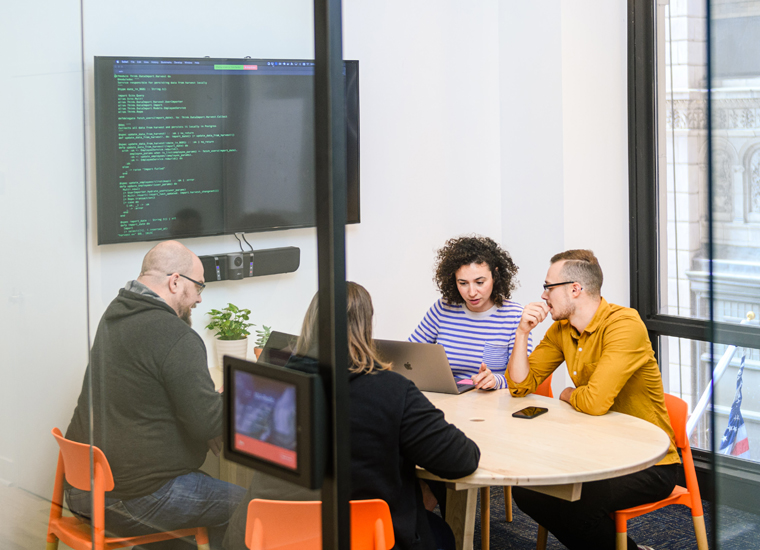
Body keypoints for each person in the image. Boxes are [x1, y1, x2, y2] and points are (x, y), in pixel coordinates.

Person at [223, 282, 481, 550]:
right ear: (366, 328)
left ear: (309, 324)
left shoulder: (272, 385)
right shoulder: (391, 390)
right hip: (366, 539)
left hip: (273, 538)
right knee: (442, 535)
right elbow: (462, 460)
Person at [64, 240, 245, 550]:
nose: (199, 298)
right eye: (198, 287)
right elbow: (207, 424)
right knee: (249, 506)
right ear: (176, 281)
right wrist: (234, 401)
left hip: (82, 490)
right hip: (129, 499)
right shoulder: (176, 336)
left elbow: (146, 395)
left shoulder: (115, 313)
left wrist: (205, 408)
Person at [505, 249, 680, 550]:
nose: (544, 295)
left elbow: (596, 401)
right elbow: (520, 386)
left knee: (580, 503)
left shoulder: (624, 325)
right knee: (526, 492)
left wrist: (568, 393)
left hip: (648, 461)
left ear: (575, 289)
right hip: (596, 454)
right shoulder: (562, 329)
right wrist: (522, 333)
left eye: (548, 287)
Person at [410, 235, 532, 391]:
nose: (472, 292)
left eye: (480, 282)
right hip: (449, 399)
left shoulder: (515, 316)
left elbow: (523, 379)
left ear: (495, 275)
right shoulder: (443, 308)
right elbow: (410, 357)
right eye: (463, 283)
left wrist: (496, 380)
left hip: (493, 405)